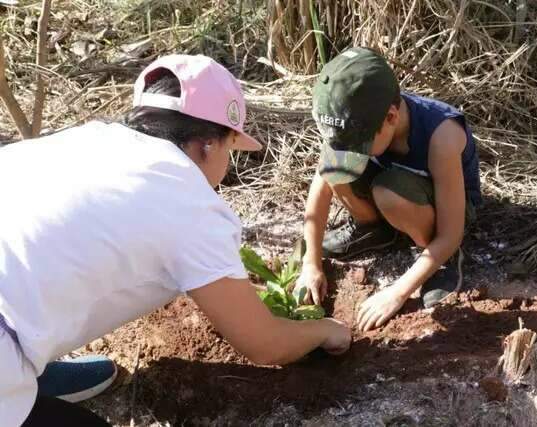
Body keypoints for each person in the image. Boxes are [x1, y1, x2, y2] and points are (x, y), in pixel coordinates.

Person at [0, 54, 351, 427]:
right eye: (231, 147)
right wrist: (327, 331)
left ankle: (32, 372)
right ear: (208, 145)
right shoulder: (187, 199)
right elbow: (264, 343)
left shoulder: (91, 138)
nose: (227, 162)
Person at [295, 47, 481, 332]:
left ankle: (441, 259)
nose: (351, 151)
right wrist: (311, 261)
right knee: (336, 169)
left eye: (359, 146)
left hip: (446, 210)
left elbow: (451, 232)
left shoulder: (441, 136)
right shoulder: (353, 119)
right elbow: (321, 186)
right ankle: (374, 230)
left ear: (392, 117)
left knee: (388, 193)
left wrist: (398, 291)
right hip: (395, 189)